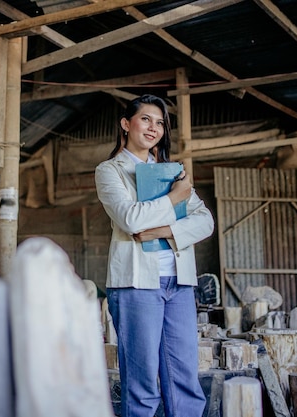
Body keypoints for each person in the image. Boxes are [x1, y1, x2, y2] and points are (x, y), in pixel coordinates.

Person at [94, 94, 214, 417]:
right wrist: (176, 198)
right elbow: (131, 218)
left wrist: (163, 231)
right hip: (135, 285)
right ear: (126, 124)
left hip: (179, 283)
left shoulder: (170, 172)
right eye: (146, 119)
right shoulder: (110, 172)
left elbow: (205, 221)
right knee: (142, 386)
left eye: (160, 122)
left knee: (184, 381)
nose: (154, 127)